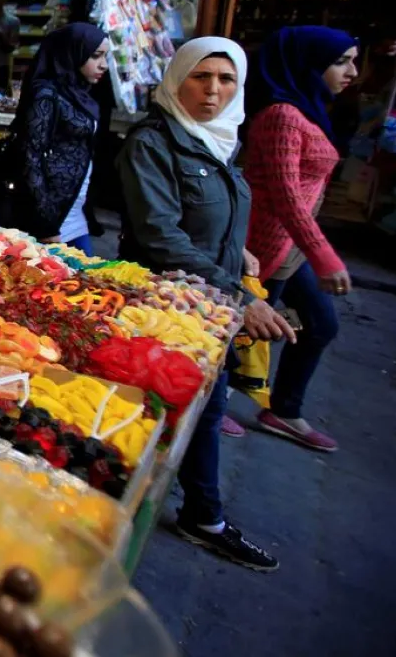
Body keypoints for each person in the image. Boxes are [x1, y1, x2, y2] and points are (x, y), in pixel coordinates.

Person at [117, 37, 296, 571]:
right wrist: (242, 298)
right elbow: (160, 236)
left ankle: (200, 511)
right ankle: (187, 515)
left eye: (226, 80)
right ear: (177, 78)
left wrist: (234, 250)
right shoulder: (152, 144)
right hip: (166, 304)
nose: (213, 90)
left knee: (206, 407)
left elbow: (202, 214)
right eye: (201, 76)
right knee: (179, 408)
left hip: (209, 299)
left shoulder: (215, 140)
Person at [244, 26, 358, 453]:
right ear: (309, 64)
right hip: (267, 243)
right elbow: (287, 196)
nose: (352, 71)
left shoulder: (306, 109)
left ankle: (284, 408)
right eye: (341, 61)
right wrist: (324, 254)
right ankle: (211, 410)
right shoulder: (281, 117)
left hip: (291, 248)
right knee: (239, 331)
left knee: (316, 325)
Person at [4, 23, 107, 252]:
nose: (104, 65)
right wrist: (45, 224)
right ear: (73, 52)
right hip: (51, 218)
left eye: (106, 56)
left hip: (75, 211)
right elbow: (30, 154)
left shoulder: (80, 94)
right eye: (96, 56)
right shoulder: (46, 95)